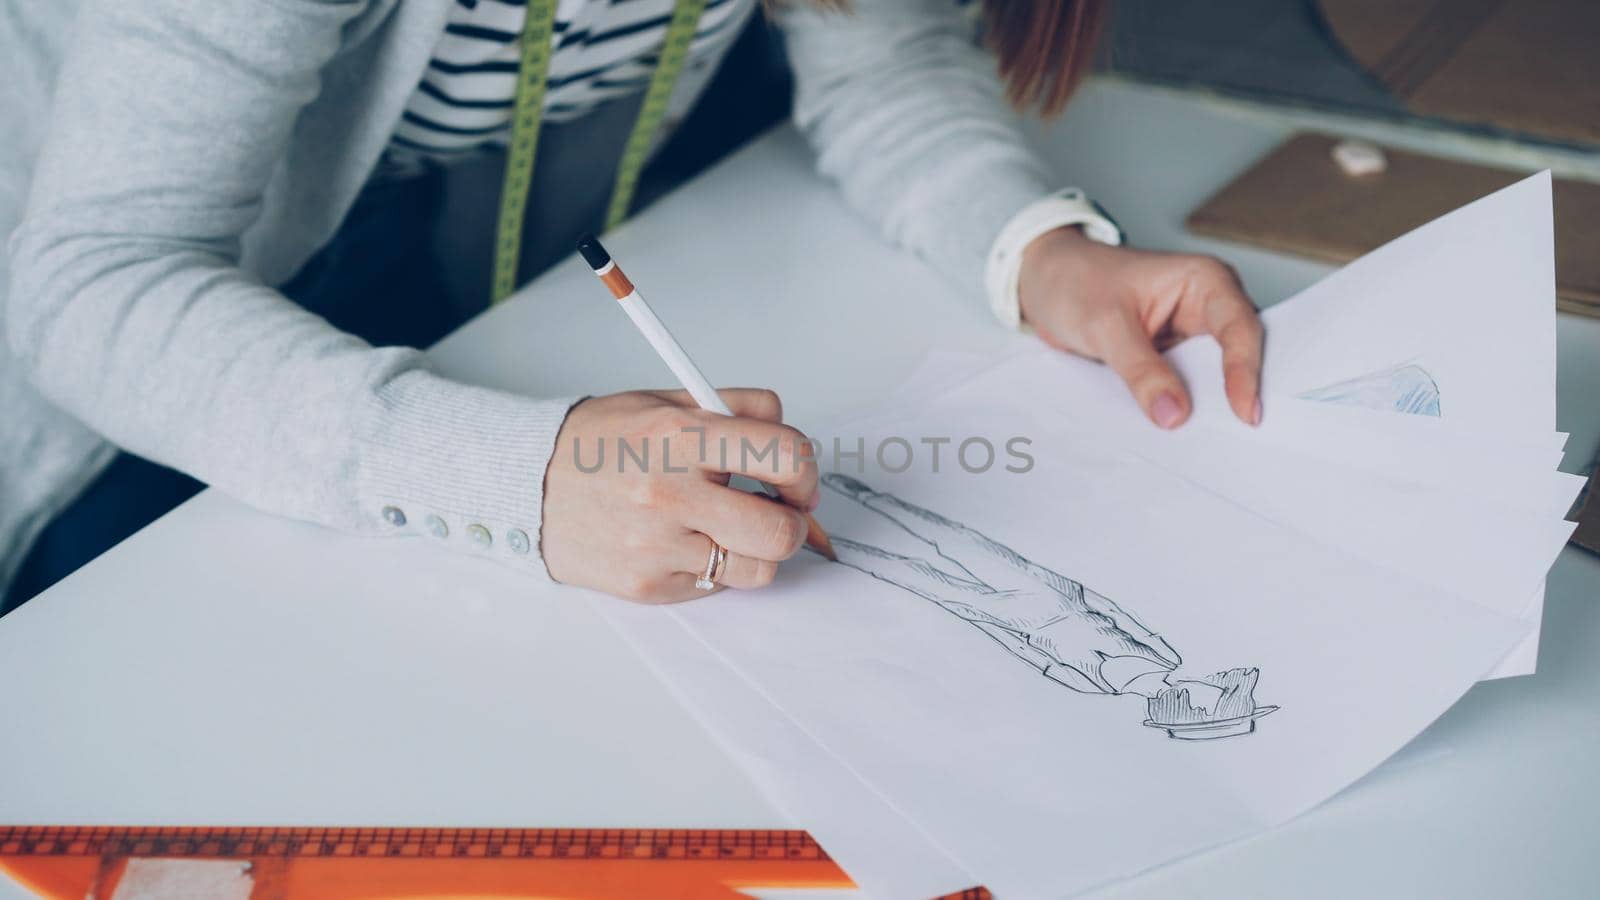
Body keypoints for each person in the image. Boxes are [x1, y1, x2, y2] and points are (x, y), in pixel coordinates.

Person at [0, 0, 1264, 614]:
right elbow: (94, 277)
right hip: (91, 327)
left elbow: (883, 57)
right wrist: (518, 476)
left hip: (384, 241)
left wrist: (1035, 247)